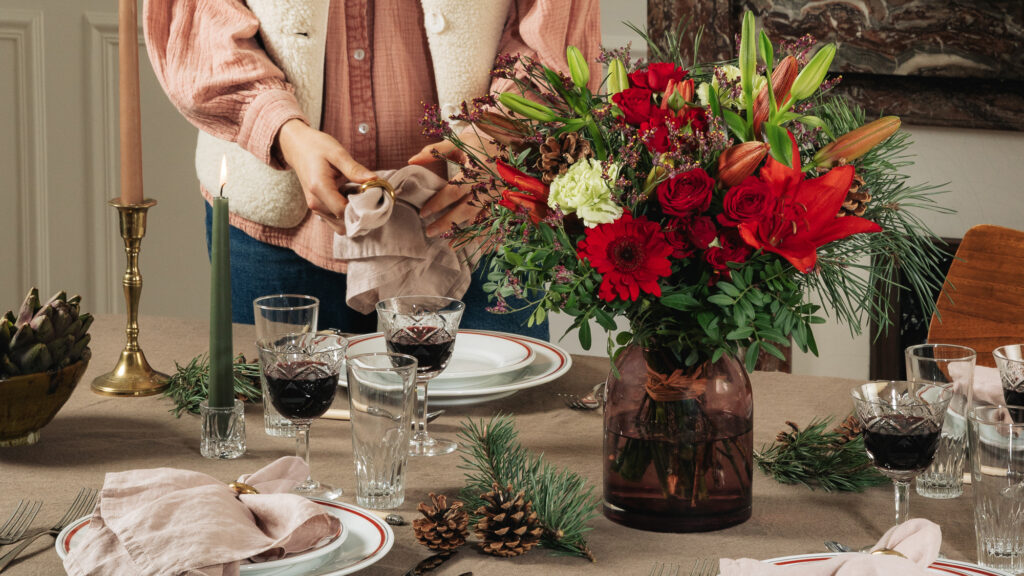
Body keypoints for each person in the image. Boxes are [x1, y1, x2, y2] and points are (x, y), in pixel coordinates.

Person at [143, 0, 601, 337]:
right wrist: (285, 132)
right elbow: (202, 20)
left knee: (492, 453)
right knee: (284, 446)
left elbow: (552, 26)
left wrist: (498, 132)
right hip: (283, 234)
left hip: (477, 223)